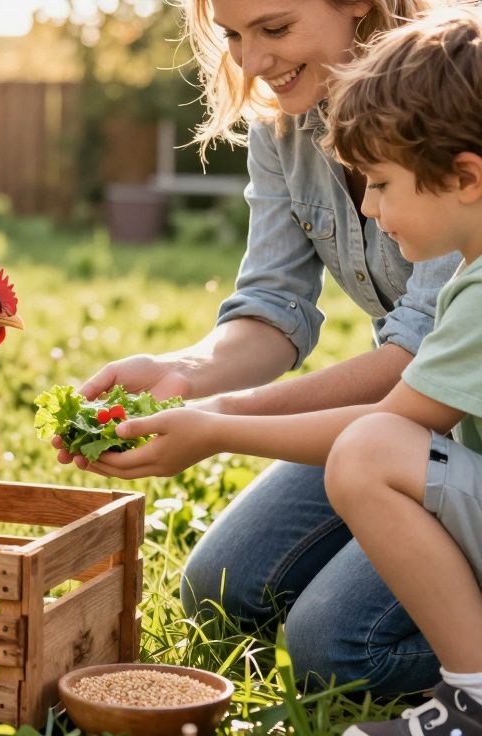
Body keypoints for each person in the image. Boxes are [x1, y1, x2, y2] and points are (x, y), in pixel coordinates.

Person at [82, 10, 482, 732]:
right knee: (223, 587)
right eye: (234, 36)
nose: (252, 61)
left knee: (335, 644)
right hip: (433, 433)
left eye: (273, 26)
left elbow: (410, 384)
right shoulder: (285, 127)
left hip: (434, 430)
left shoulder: (449, 111)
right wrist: (181, 374)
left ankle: (471, 682)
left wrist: (217, 426)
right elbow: (271, 304)